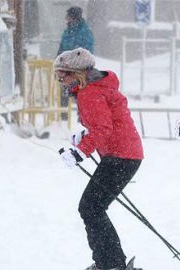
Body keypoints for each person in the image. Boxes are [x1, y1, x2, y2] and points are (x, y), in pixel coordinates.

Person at [55, 48, 143, 270]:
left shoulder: (90, 93)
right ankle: (110, 263)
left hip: (121, 156)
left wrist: (79, 152)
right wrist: (85, 135)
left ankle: (111, 264)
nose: (60, 80)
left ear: (77, 73)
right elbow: (108, 123)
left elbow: (103, 128)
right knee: (93, 207)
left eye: (63, 75)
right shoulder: (97, 88)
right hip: (124, 154)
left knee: (90, 207)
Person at [57, 6, 94, 120]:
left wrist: (73, 61)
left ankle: (82, 118)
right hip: (66, 68)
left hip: (80, 70)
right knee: (64, 90)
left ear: (74, 17)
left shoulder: (85, 32)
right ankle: (63, 116)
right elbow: (62, 47)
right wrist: (59, 59)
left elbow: (85, 52)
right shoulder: (67, 31)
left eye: (68, 16)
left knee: (81, 93)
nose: (66, 19)